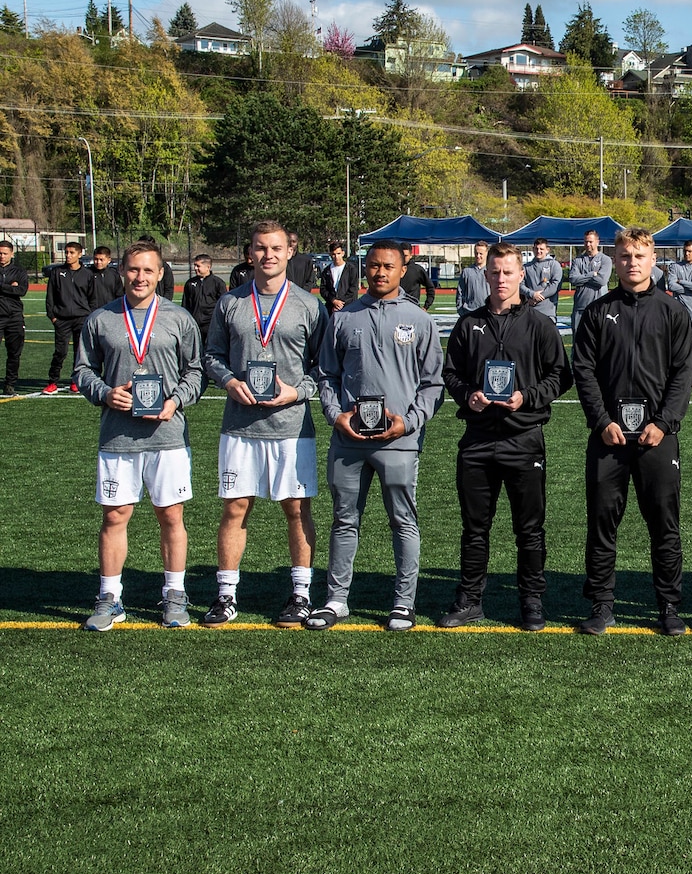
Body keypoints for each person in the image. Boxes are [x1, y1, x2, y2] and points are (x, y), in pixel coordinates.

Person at [309, 239, 444, 632]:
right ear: (364, 269)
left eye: (388, 266)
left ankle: (403, 603)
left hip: (398, 442)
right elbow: (326, 376)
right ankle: (336, 600)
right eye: (373, 266)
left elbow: (433, 384)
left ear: (403, 270)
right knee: (343, 520)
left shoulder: (419, 320)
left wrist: (410, 421)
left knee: (403, 521)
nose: (380, 272)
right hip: (348, 440)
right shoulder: (344, 317)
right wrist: (336, 416)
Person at [202, 221, 327, 629]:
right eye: (260, 248)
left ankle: (301, 594)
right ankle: (225, 596)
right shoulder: (230, 302)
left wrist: (298, 391)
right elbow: (212, 356)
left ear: (290, 251)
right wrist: (229, 381)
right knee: (235, 508)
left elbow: (323, 367)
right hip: (240, 426)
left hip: (291, 426)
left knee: (296, 508)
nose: (268, 255)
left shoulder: (310, 305)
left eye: (276, 248)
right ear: (249, 253)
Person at [75, 239, 203, 630]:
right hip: (118, 436)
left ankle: (174, 595)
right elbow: (82, 372)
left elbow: (195, 372)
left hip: (167, 436)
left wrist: (175, 401)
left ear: (161, 274)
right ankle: (109, 597)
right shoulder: (100, 319)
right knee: (115, 515)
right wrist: (105, 393)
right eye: (133, 269)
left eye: (149, 270)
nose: (140, 277)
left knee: (171, 515)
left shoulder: (180, 318)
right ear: (121, 273)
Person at [442, 242, 571, 630]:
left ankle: (531, 601)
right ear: (486, 275)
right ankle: (469, 599)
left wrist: (526, 397)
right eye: (495, 272)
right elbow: (451, 373)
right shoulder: (469, 324)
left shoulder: (539, 324)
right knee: (474, 527)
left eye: (508, 272)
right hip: (478, 440)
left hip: (524, 438)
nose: (501, 278)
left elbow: (561, 376)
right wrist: (469, 395)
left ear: (521, 275)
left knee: (529, 528)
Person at [573, 227, 692, 635]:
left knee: (664, 522)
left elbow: (683, 373)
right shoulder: (597, 311)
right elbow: (584, 371)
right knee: (603, 521)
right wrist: (602, 420)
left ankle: (668, 605)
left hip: (658, 438)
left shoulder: (672, 311)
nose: (632, 262)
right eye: (624, 256)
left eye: (639, 255)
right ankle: (602, 604)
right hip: (608, 438)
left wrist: (663, 423)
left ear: (653, 257)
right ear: (615, 259)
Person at [44, 241, 91, 394]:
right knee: (60, 352)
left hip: (81, 319)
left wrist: (88, 315)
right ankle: (52, 382)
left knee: (79, 353)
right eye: (66, 252)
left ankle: (75, 382)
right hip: (61, 319)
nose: (68, 255)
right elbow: (50, 296)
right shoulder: (57, 272)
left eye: (72, 252)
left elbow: (92, 298)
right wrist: (52, 317)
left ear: (79, 254)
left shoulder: (87, 274)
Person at [568, 229, 613, 333]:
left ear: (597, 242)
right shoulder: (577, 260)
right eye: (586, 241)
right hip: (580, 307)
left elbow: (602, 281)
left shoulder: (605, 260)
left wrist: (582, 278)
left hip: (599, 307)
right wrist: (592, 274)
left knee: (599, 341)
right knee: (578, 340)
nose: (588, 244)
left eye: (590, 241)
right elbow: (573, 279)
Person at [179, 254, 226, 348]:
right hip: (194, 324)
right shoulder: (190, 283)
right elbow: (185, 305)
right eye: (195, 265)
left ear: (208, 267)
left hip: (211, 325)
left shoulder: (218, 283)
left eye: (198, 266)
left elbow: (223, 305)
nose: (195, 268)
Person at [665, 239, 692, 338]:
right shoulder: (675, 267)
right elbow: (671, 285)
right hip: (679, 312)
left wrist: (681, 282)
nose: (686, 253)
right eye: (685, 251)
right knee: (678, 342)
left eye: (689, 251)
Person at [0, 241, 28, 395]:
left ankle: (10, 383)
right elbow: (15, 289)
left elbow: (22, 290)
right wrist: (11, 286)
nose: (2, 256)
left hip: (14, 317)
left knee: (14, 353)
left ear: (11, 254)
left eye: (5, 253)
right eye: (0, 253)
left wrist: (3, 287)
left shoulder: (19, 271)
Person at [523, 237, 563, 325]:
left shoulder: (554, 264)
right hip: (530, 311)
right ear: (533, 249)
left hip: (548, 313)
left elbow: (556, 285)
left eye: (541, 249)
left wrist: (538, 297)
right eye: (536, 249)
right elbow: (520, 285)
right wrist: (532, 294)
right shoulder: (526, 267)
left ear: (547, 250)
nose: (539, 251)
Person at [320, 242, 359, 314]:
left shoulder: (351, 269)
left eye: (338, 253)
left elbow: (353, 288)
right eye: (333, 254)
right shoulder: (326, 271)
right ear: (330, 254)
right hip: (331, 309)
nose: (336, 256)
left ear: (343, 253)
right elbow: (323, 289)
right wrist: (333, 300)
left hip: (349, 308)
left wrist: (340, 303)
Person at [455, 239, 490, 316]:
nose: (478, 256)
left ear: (487, 253)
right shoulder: (467, 272)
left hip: (487, 312)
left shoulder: (491, 271)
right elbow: (460, 292)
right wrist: (461, 310)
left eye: (481, 253)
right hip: (469, 312)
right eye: (476, 253)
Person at [86, 245, 123, 310]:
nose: (98, 262)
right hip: (92, 311)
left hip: (110, 311)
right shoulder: (87, 273)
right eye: (96, 259)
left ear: (109, 260)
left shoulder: (114, 275)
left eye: (101, 260)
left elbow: (119, 294)